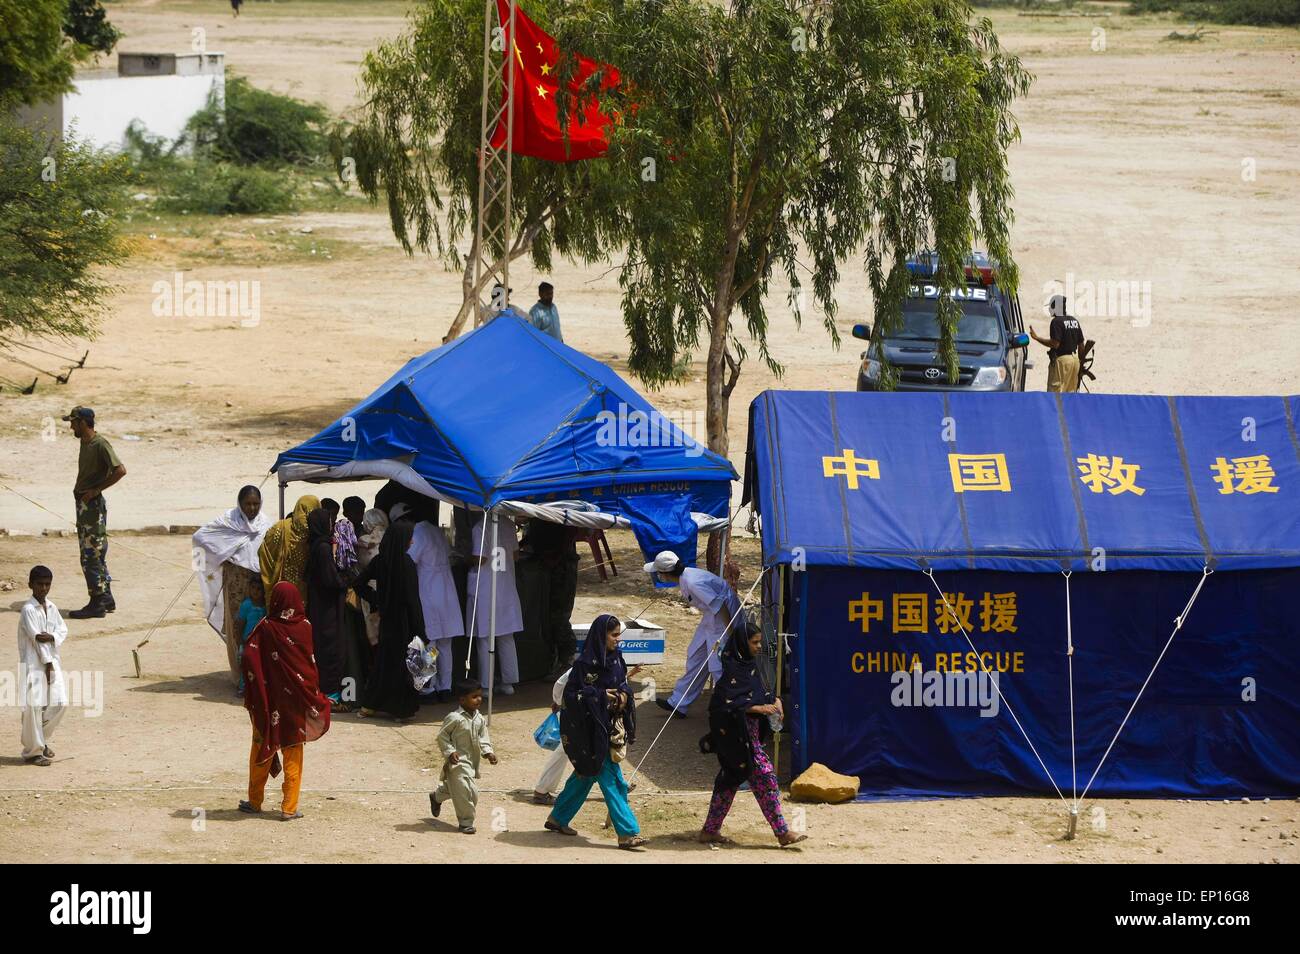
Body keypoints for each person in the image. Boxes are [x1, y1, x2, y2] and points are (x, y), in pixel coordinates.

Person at [698, 619, 806, 847]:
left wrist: (775, 702)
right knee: (765, 777)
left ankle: (709, 830)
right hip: (739, 739)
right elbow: (724, 706)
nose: (759, 647)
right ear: (741, 643)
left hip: (751, 738)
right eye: (754, 642)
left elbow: (758, 693)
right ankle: (783, 832)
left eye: (759, 642)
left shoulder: (750, 668)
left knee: (728, 782)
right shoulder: (732, 672)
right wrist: (759, 708)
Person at [545, 615, 646, 849]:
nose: (618, 640)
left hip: (610, 728)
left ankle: (558, 817)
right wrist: (600, 696)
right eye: (613, 635)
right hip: (590, 732)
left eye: (619, 634)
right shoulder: (584, 665)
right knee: (613, 781)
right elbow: (571, 697)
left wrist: (622, 696)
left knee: (586, 774)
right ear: (601, 637)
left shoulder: (618, 660)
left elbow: (622, 686)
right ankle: (628, 833)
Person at [239, 582, 331, 820]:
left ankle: (254, 800)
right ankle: (289, 807)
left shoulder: (266, 628)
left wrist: (259, 679)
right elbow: (309, 666)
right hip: (295, 705)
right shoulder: (305, 626)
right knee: (293, 752)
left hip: (269, 703)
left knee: (261, 748)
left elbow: (249, 653)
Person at [533, 650, 644, 804]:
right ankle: (542, 791)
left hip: (594, 717)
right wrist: (560, 702)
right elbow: (561, 686)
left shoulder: (606, 665)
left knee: (602, 750)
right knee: (567, 751)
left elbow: (610, 683)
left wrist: (629, 675)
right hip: (577, 715)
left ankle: (619, 787)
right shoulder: (584, 665)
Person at [643, 551, 741, 717]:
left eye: (658, 572)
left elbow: (721, 606)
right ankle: (679, 702)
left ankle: (730, 708)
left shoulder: (693, 582)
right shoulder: (685, 579)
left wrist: (730, 633)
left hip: (723, 617)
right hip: (712, 615)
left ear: (665, 574)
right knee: (696, 654)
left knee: (718, 663)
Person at [192, 485, 272, 688]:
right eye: (248, 504)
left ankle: (259, 674)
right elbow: (199, 538)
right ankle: (241, 677)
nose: (252, 508)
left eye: (256, 504)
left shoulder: (265, 523)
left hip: (258, 583)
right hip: (236, 583)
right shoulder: (228, 522)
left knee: (259, 626)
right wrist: (226, 553)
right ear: (240, 504)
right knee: (239, 628)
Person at [352, 502, 423, 720]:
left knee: (383, 664)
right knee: (403, 667)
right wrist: (421, 629)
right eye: (410, 537)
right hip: (403, 623)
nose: (411, 541)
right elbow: (413, 600)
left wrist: (378, 601)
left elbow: (359, 584)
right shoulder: (407, 564)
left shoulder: (380, 561)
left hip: (386, 621)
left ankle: (370, 706)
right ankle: (400, 710)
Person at [63, 407, 126, 619]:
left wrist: (96, 490)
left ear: (83, 423)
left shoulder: (100, 444)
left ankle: (97, 602)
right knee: (97, 554)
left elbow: (120, 470)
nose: (71, 426)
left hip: (92, 507)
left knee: (90, 556)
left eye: (73, 422)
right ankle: (106, 597)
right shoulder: (85, 442)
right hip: (84, 505)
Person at [465, 512, 523, 696]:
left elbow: (480, 558)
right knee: (506, 636)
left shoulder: (479, 527)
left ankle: (486, 685)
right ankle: (509, 682)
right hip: (505, 585)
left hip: (486, 587)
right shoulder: (508, 525)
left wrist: (466, 558)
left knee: (484, 638)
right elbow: (515, 555)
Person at [428, 679, 496, 834]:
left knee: (468, 791)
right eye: (474, 696)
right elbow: (442, 736)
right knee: (466, 792)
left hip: (472, 762)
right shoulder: (455, 717)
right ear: (462, 699)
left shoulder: (479, 718)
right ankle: (466, 822)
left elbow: (483, 737)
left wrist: (488, 752)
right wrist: (450, 752)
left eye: (480, 696)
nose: (479, 699)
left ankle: (436, 797)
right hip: (456, 763)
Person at [408, 517, 464, 703]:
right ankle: (445, 687)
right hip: (446, 591)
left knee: (430, 644)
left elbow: (411, 559)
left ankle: (428, 689)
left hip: (429, 592)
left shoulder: (419, 532)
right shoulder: (437, 532)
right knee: (445, 644)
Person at [17, 566, 67, 766]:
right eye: (40, 584)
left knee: (59, 703)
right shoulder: (28, 609)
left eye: (47, 584)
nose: (44, 588)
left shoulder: (52, 607)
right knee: (34, 707)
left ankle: (40, 739)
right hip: (34, 664)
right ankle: (33, 751)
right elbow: (37, 639)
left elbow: (62, 629)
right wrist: (47, 664)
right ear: (31, 585)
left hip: (52, 662)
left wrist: (52, 636)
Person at [520, 518, 579, 676]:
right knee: (545, 617)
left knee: (558, 617)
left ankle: (566, 662)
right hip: (546, 564)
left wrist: (554, 557)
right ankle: (552, 660)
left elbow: (570, 533)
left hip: (562, 566)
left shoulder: (560, 511)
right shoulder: (537, 509)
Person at [304, 507, 351, 705]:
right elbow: (331, 580)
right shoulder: (323, 548)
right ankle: (330, 694)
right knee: (331, 648)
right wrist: (345, 580)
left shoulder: (316, 545)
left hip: (319, 605)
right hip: (327, 609)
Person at [257, 494, 320, 597]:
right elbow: (265, 552)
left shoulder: (280, 528)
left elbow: (264, 553)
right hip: (296, 591)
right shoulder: (281, 528)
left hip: (286, 589)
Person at [1030, 294, 1084, 393]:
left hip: (1062, 362)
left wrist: (1037, 338)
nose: (1050, 309)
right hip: (1075, 361)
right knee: (1071, 392)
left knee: (1055, 393)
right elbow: (1081, 345)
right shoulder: (1074, 320)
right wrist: (1081, 363)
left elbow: (1055, 344)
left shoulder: (1056, 322)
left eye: (1051, 307)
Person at [234, 577, 266, 696]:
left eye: (258, 589)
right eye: (252, 588)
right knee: (245, 664)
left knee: (259, 664)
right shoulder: (246, 605)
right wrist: (240, 641)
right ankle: (243, 687)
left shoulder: (265, 606)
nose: (255, 591)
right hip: (247, 639)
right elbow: (241, 623)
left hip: (260, 640)